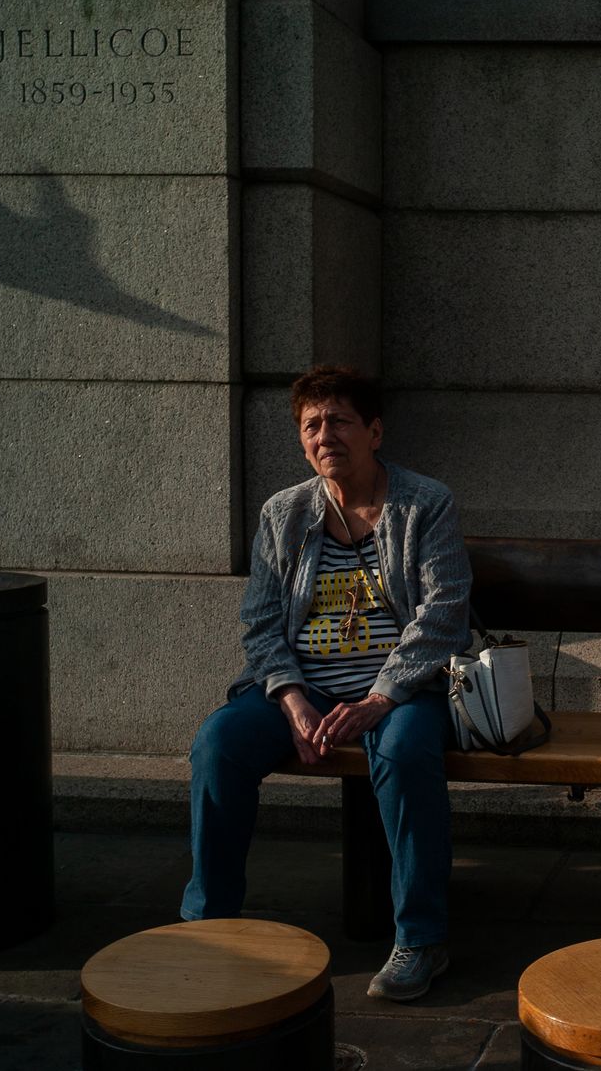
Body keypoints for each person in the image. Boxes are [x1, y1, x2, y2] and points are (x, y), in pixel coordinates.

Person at [181, 366, 471, 1001]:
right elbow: (259, 624)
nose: (323, 435)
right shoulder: (285, 514)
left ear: (374, 430)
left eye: (338, 420)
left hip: (399, 692)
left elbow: (443, 617)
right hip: (302, 690)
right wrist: (289, 701)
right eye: (311, 425)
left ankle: (421, 938)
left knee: (403, 751)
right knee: (217, 745)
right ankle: (206, 925)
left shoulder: (426, 504)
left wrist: (376, 701)